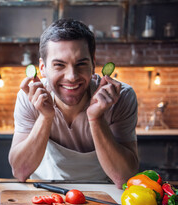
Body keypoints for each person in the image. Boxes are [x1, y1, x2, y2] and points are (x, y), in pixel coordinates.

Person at [9, 19, 138, 188]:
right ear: (42, 68)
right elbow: (20, 171)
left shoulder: (121, 97)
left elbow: (125, 177)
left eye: (81, 64)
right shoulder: (29, 97)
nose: (72, 76)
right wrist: (46, 117)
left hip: (106, 192)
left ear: (93, 63)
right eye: (59, 65)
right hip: (45, 190)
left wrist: (96, 118)